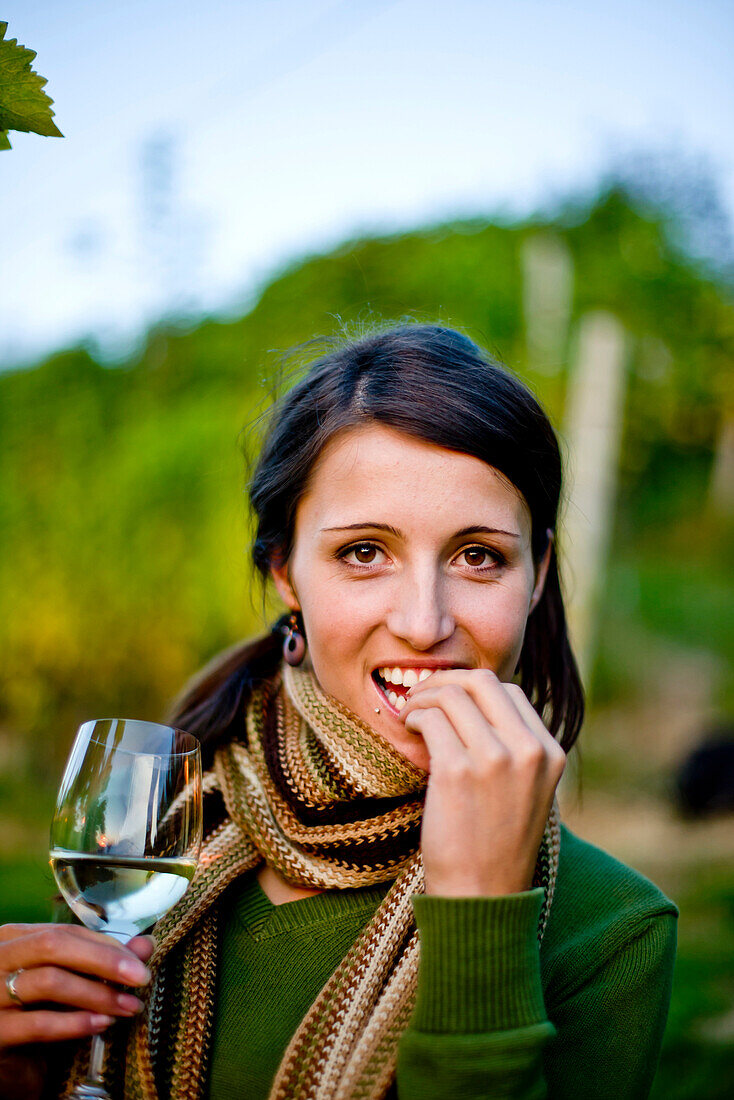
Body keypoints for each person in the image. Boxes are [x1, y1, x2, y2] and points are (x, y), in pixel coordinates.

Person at [0, 324, 677, 1100]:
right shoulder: (154, 841)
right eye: (364, 552)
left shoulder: (612, 930)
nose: (424, 622)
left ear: (537, 572)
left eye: (478, 555)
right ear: (286, 570)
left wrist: (481, 912)